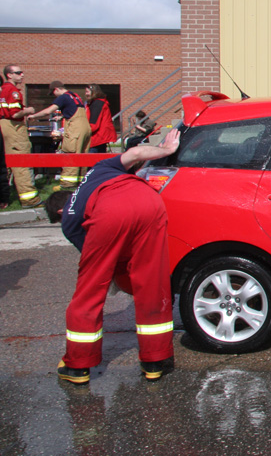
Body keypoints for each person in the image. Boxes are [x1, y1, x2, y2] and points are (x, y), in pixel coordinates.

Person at [43, 128, 181, 385]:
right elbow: (136, 153)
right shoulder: (100, 168)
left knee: (89, 290)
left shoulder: (70, 221)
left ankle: (77, 366)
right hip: (149, 201)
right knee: (152, 283)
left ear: (60, 211)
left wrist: (119, 279)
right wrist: (166, 149)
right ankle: (155, 361)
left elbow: (103, 265)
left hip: (110, 209)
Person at [29, 81, 92, 191]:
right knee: (82, 156)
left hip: (75, 129)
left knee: (71, 154)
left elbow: (48, 111)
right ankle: (81, 182)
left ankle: (67, 184)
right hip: (85, 128)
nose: (54, 96)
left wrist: (33, 116)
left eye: (53, 93)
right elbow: (74, 110)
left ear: (57, 89)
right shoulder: (75, 95)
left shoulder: (63, 97)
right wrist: (62, 116)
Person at [0, 65, 40, 207]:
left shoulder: (3, 89)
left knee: (6, 163)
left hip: (4, 127)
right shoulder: (12, 91)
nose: (22, 75)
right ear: (9, 75)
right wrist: (28, 110)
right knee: (22, 162)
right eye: (18, 73)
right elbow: (15, 114)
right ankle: (30, 199)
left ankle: (4, 197)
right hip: (14, 127)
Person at [85, 84, 117, 153]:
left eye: (87, 92)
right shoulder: (98, 103)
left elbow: (94, 124)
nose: (86, 94)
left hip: (97, 137)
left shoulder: (97, 104)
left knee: (92, 158)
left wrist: (84, 132)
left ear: (93, 92)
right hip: (101, 137)